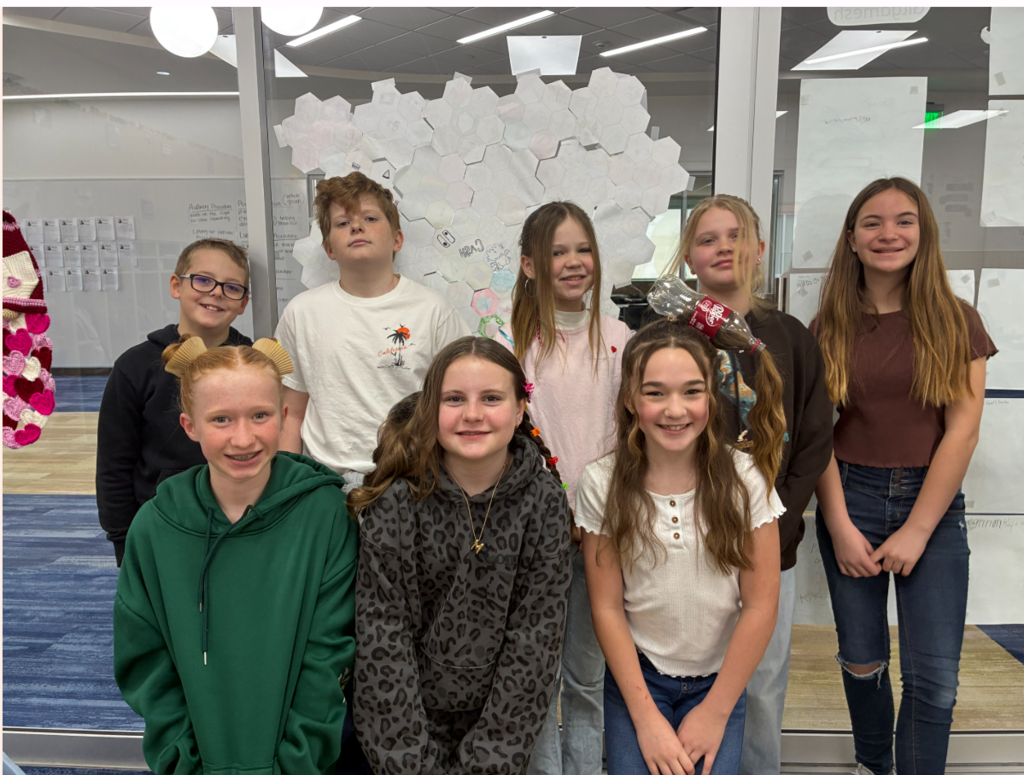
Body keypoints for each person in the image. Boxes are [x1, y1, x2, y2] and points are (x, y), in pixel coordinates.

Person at [812, 177, 996, 775]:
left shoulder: (956, 320)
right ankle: (874, 764)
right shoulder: (829, 325)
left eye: (904, 220)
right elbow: (815, 435)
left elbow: (962, 432)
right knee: (862, 659)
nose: (888, 233)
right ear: (852, 238)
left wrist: (918, 529)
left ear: (924, 233)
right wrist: (838, 524)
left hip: (933, 509)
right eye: (872, 222)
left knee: (934, 677)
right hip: (850, 499)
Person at [113, 335, 357, 775]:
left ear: (284, 416)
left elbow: (329, 655)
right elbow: (146, 661)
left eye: (260, 415)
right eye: (221, 419)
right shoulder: (154, 528)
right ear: (190, 426)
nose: (243, 438)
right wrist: (181, 761)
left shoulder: (327, 516)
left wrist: (297, 762)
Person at [350, 336, 573, 775]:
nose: (472, 414)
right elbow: (382, 640)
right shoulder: (396, 502)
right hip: (404, 728)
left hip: (502, 730)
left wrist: (488, 762)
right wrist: (410, 764)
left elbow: (535, 642)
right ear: (430, 408)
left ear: (520, 409)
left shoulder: (544, 502)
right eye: (454, 399)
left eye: (491, 398)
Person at [666, 194, 834, 775]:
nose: (724, 248)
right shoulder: (667, 338)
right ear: (689, 256)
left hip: (770, 546)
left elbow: (813, 440)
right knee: (681, 681)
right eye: (708, 238)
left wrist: (777, 526)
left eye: (736, 235)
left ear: (760, 249)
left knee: (761, 685)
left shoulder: (791, 338)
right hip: (680, 548)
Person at [579, 317, 785, 775]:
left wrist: (715, 712)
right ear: (630, 399)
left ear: (711, 396)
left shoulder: (746, 480)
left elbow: (760, 605)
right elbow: (607, 607)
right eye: (655, 393)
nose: (675, 409)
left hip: (720, 683)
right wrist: (645, 719)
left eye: (692, 391)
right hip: (639, 681)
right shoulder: (601, 482)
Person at [496, 200, 632, 775]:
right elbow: (509, 438)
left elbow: (628, 434)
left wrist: (597, 513)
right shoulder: (510, 341)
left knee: (587, 675)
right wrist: (555, 512)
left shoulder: (620, 337)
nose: (574, 262)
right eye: (558, 252)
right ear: (530, 265)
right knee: (535, 677)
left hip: (603, 531)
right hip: (534, 534)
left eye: (583, 249)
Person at [275, 171, 469, 488]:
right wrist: (287, 487)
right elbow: (291, 413)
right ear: (329, 248)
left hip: (412, 478)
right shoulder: (300, 313)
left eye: (370, 218)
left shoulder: (434, 311)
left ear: (397, 239)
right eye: (342, 223)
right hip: (324, 482)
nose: (356, 226)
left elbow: (461, 403)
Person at [97, 238, 253, 566]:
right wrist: (123, 540)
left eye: (231, 287)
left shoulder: (255, 364)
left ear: (243, 303)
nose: (216, 292)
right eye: (203, 280)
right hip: (163, 526)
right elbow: (114, 465)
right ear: (176, 285)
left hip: (243, 523)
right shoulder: (134, 367)